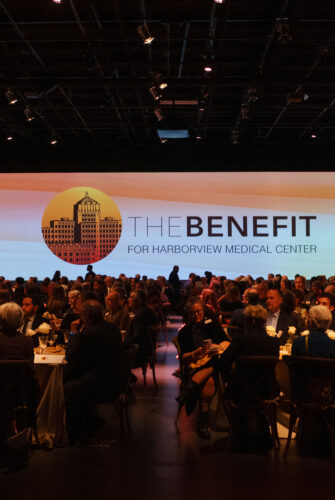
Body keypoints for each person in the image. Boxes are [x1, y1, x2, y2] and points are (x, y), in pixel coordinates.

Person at [63, 300, 122, 445]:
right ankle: (89, 421)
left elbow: (70, 355)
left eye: (81, 315)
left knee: (66, 388)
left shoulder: (88, 334)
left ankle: (75, 431)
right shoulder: (113, 328)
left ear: (87, 317)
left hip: (100, 384)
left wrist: (73, 332)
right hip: (117, 380)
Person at [177, 297, 229, 439]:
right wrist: (195, 353)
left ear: (203, 311)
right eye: (192, 313)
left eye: (198, 312)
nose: (196, 315)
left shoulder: (213, 324)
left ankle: (191, 388)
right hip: (195, 366)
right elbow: (183, 357)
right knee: (209, 381)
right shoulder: (184, 332)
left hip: (214, 362)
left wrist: (219, 346)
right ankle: (203, 423)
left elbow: (225, 341)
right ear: (188, 314)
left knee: (214, 363)